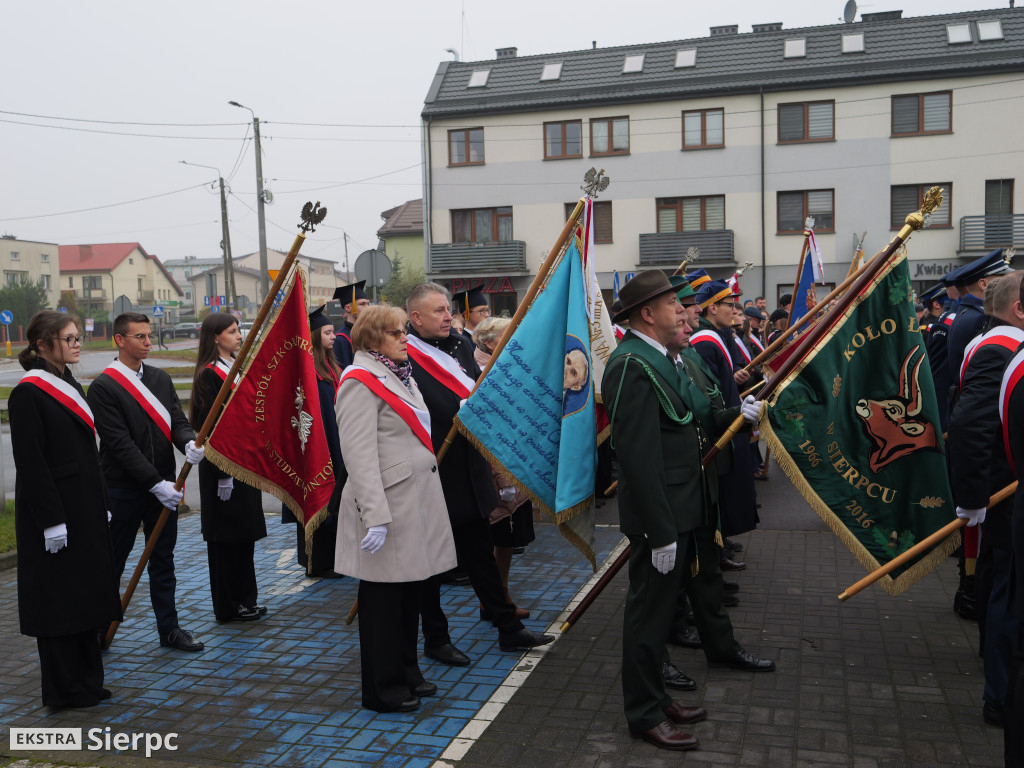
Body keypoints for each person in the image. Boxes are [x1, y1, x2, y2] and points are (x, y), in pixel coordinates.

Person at [602, 271, 758, 751]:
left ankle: (657, 695)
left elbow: (690, 427)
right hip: (661, 517)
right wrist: (660, 529)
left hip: (683, 506)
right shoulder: (631, 364)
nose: (683, 310)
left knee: (662, 609)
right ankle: (644, 713)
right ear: (647, 314)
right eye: (673, 303)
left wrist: (738, 415)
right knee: (648, 616)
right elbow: (638, 458)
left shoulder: (661, 359)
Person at [406, 282, 553, 665]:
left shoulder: (457, 345)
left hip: (469, 467)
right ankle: (436, 639)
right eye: (437, 311)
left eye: (447, 309)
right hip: (434, 470)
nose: (447, 316)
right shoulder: (406, 356)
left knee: (480, 555)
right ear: (415, 317)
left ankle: (507, 627)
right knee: (431, 567)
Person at [333, 304, 458, 713]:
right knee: (383, 605)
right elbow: (359, 455)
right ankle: (382, 689)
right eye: (396, 332)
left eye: (405, 330)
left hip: (413, 503)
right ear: (372, 339)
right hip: (387, 507)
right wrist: (375, 516)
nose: (406, 338)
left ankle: (407, 672)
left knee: (408, 597)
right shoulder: (359, 380)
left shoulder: (398, 374)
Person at [11, 311, 122, 708]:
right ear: (42, 344)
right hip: (54, 517)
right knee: (59, 601)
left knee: (85, 597)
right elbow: (32, 463)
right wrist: (52, 521)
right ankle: (63, 689)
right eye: (69, 338)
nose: (78, 343)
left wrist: (102, 503)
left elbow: (89, 454)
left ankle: (88, 682)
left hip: (84, 510)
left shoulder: (68, 382)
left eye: (78, 337)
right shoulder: (28, 392)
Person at [88, 312, 206, 652]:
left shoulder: (159, 378)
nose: (147, 342)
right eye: (139, 336)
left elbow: (177, 421)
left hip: (163, 487)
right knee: (114, 560)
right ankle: (99, 628)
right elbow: (120, 444)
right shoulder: (103, 387)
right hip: (123, 489)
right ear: (119, 340)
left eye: (148, 335)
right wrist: (156, 484)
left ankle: (169, 629)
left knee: (163, 561)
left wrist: (187, 442)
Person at [948, 271, 1024, 729]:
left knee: (999, 588)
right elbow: (973, 425)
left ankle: (998, 677)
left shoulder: (988, 340)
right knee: (1006, 596)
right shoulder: (1001, 349)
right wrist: (974, 498)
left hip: (999, 488)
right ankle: (1001, 695)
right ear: (1019, 309)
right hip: (1003, 488)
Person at [190, 313, 268, 623]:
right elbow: (212, 428)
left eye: (238, 330)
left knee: (244, 537)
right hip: (222, 469)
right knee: (225, 541)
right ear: (215, 338)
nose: (238, 335)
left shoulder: (234, 369)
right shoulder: (209, 375)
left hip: (243, 465)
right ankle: (228, 605)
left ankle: (246, 599)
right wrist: (223, 475)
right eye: (231, 331)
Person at [472, 316, 535, 619]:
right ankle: (496, 599)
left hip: (514, 463)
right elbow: (488, 429)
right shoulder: (481, 374)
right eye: (507, 335)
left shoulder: (506, 367)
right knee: (496, 538)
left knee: (508, 541)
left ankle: (500, 594)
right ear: (489, 342)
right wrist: (500, 476)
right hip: (497, 470)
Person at [690, 280, 758, 559]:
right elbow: (707, 389)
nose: (734, 310)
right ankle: (716, 549)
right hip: (719, 424)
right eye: (730, 305)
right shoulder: (705, 340)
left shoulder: (718, 335)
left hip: (731, 415)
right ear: (713, 307)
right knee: (721, 492)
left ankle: (722, 541)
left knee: (731, 489)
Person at [289, 306, 347, 576]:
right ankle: (317, 562)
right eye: (327, 332)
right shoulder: (307, 371)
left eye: (333, 331)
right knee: (318, 498)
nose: (333, 336)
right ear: (313, 336)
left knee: (335, 498)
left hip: (336, 440)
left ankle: (335, 558)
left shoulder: (332, 365)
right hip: (317, 443)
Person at [332, 280, 371, 370]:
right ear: (348, 308)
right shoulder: (340, 340)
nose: (367, 308)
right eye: (362, 304)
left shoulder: (369, 334)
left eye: (367, 304)